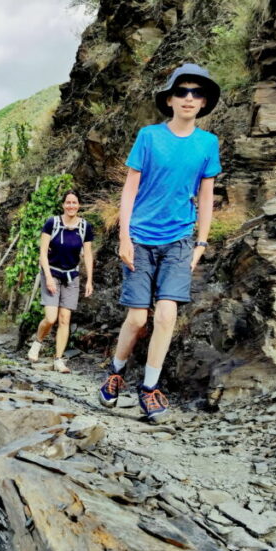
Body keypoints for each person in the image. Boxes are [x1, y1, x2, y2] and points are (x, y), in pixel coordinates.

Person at [97, 62, 221, 420]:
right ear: (169, 99)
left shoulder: (207, 143)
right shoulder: (148, 136)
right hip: (139, 237)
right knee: (137, 319)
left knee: (166, 315)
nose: (189, 97)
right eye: (182, 91)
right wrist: (123, 236)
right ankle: (115, 375)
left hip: (180, 238)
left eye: (197, 93)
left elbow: (207, 196)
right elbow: (130, 189)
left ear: (203, 103)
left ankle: (149, 389)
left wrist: (201, 243)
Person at [27, 190, 94, 373]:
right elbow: (43, 253)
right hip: (52, 274)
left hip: (72, 276)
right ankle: (38, 342)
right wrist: (48, 277)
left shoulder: (85, 227)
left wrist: (89, 280)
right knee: (51, 318)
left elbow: (87, 255)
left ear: (79, 205)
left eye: (74, 202)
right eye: (68, 202)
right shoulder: (52, 223)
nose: (71, 206)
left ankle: (58, 359)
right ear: (63, 205)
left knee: (65, 319)